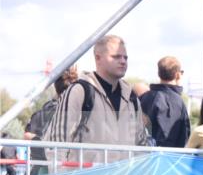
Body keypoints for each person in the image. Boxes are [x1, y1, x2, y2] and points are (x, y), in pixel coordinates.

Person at [43, 34, 147, 166]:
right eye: (116, 56)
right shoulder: (79, 91)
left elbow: (141, 145)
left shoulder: (131, 98)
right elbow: (56, 144)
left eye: (125, 57)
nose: (123, 61)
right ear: (98, 58)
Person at [141, 56, 191, 148]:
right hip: (167, 159)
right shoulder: (174, 101)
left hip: (142, 158)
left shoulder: (143, 97)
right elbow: (167, 138)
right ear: (178, 75)